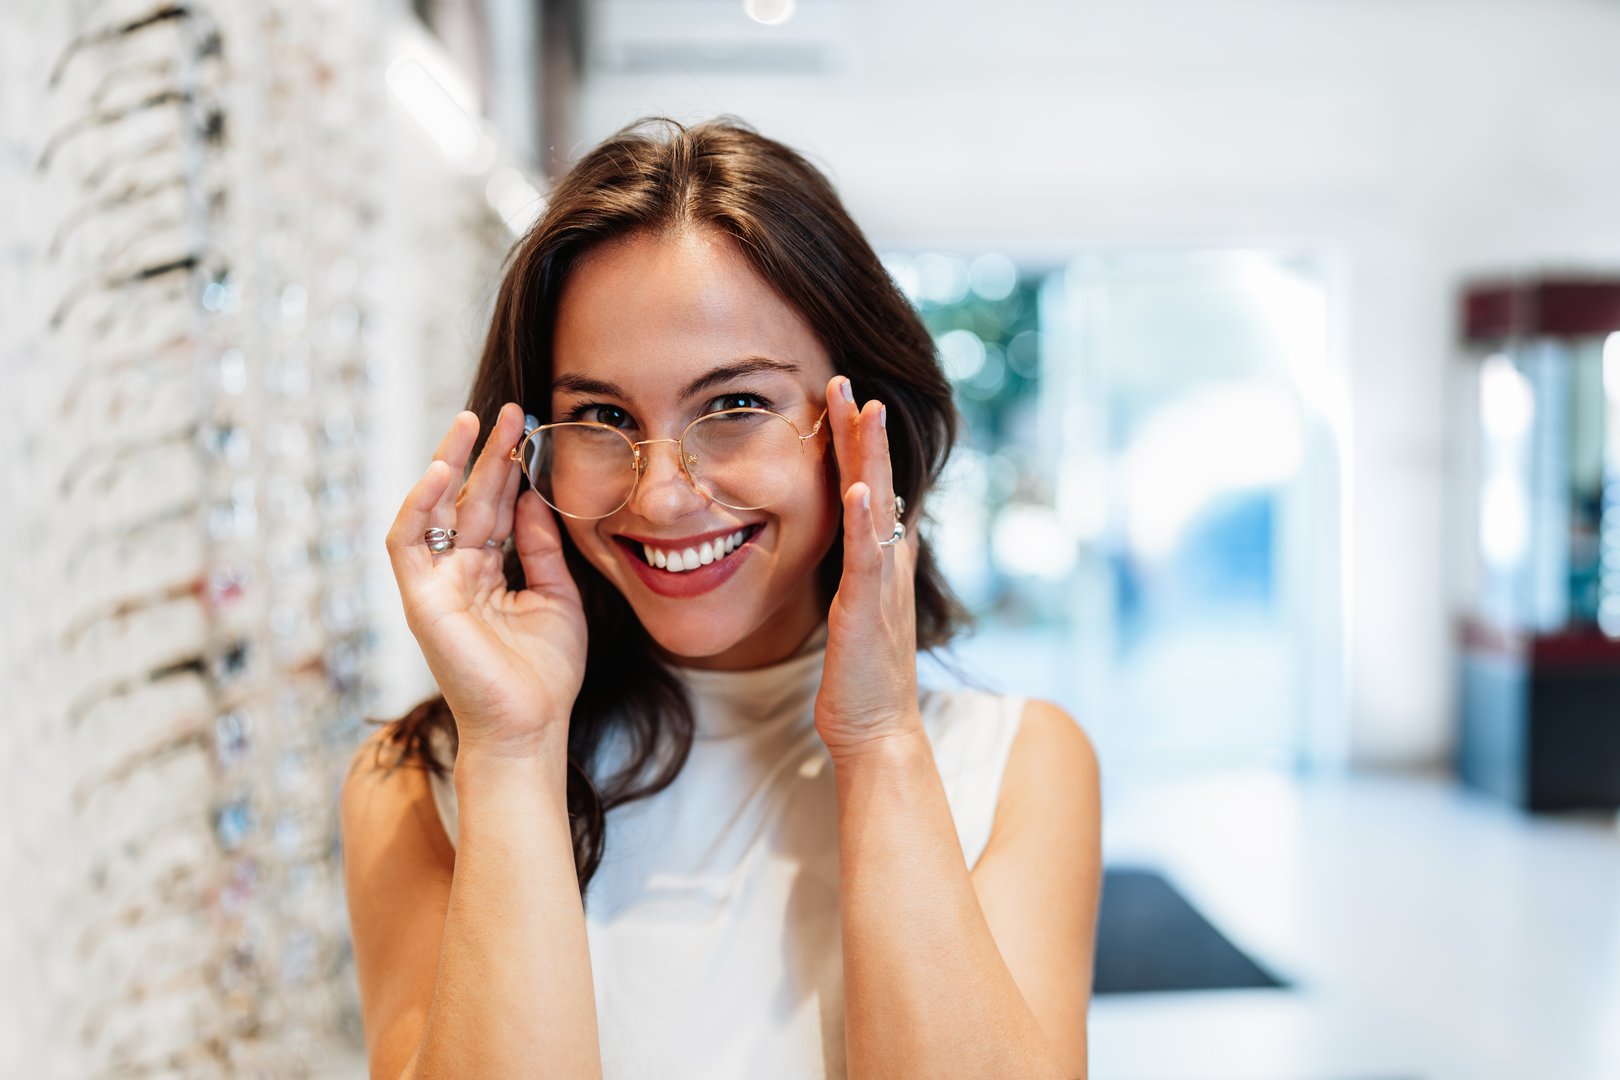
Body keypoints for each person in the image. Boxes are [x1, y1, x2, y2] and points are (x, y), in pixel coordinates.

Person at [340, 116, 1101, 1080]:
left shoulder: (1021, 767)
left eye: (735, 406)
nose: (658, 496)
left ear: (861, 419)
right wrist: (514, 750)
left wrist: (878, 739)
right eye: (601, 418)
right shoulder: (424, 783)